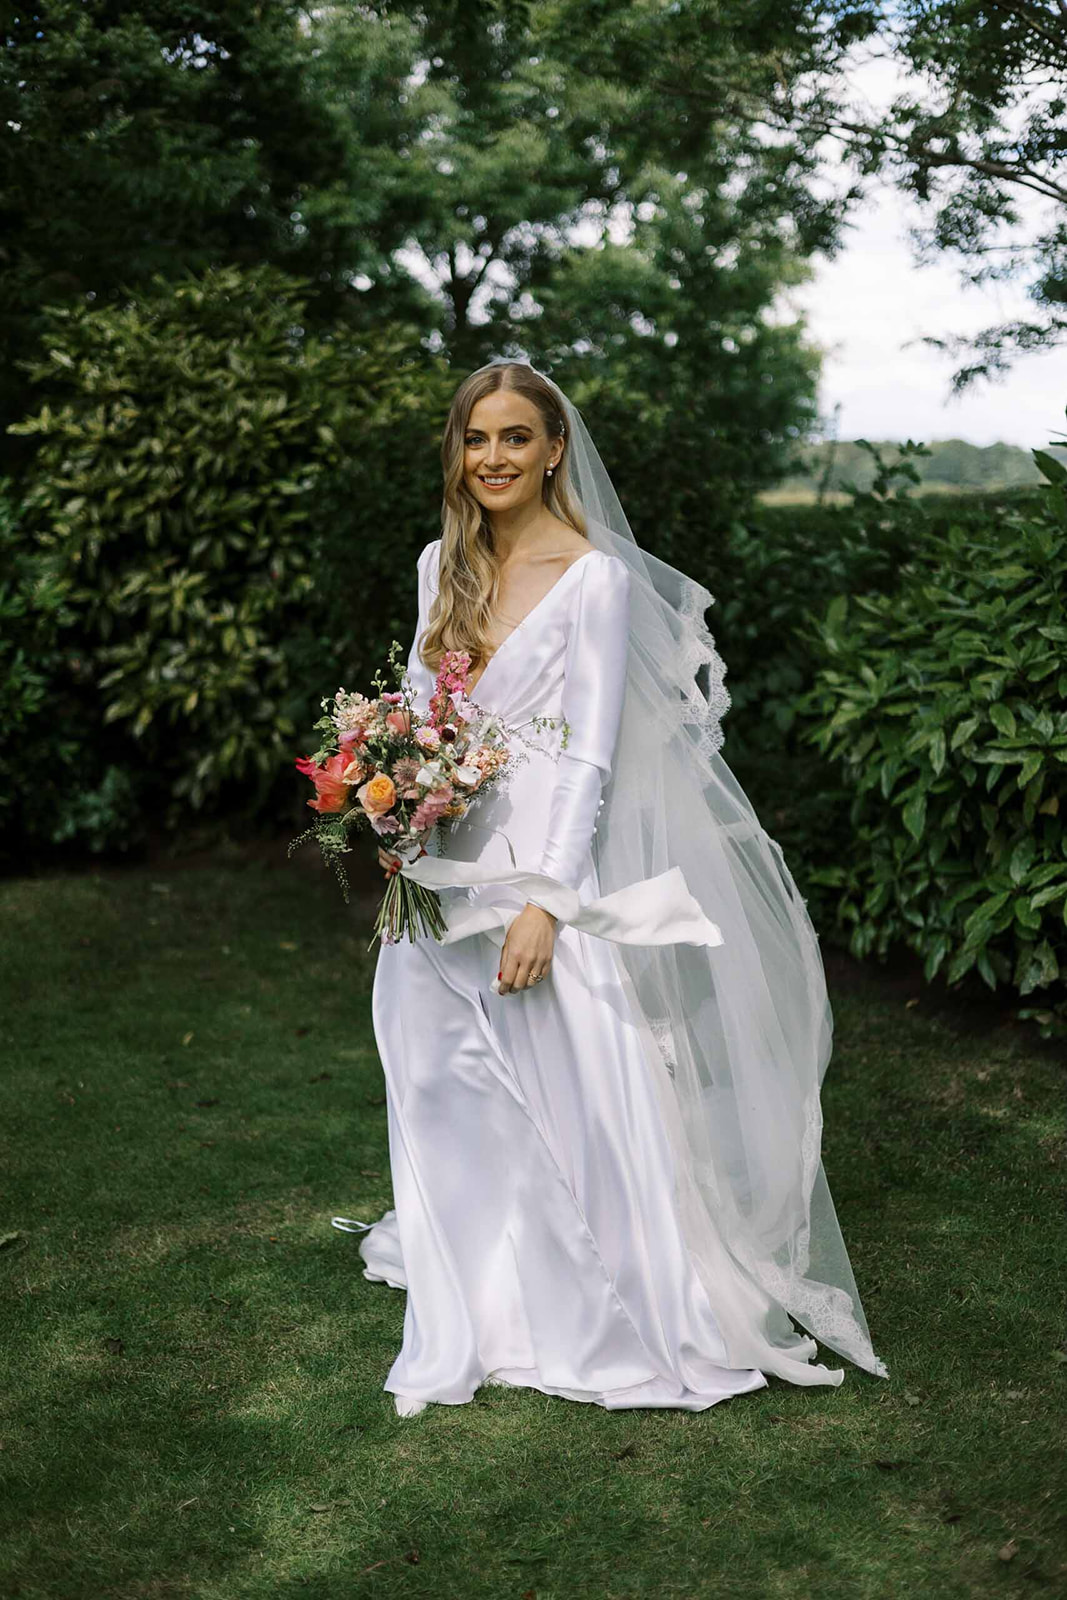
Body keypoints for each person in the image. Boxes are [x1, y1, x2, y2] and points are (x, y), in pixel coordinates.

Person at [333, 358, 889, 1417]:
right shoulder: (434, 567)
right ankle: (477, 1280)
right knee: (433, 1065)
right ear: (457, 454)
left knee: (571, 1076)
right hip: (442, 861)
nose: (492, 458)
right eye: (474, 439)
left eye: (513, 438)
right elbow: (417, 706)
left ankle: (600, 1298)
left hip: (540, 861)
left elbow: (586, 755)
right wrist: (393, 797)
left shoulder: (594, 577)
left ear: (552, 451)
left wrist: (547, 899)